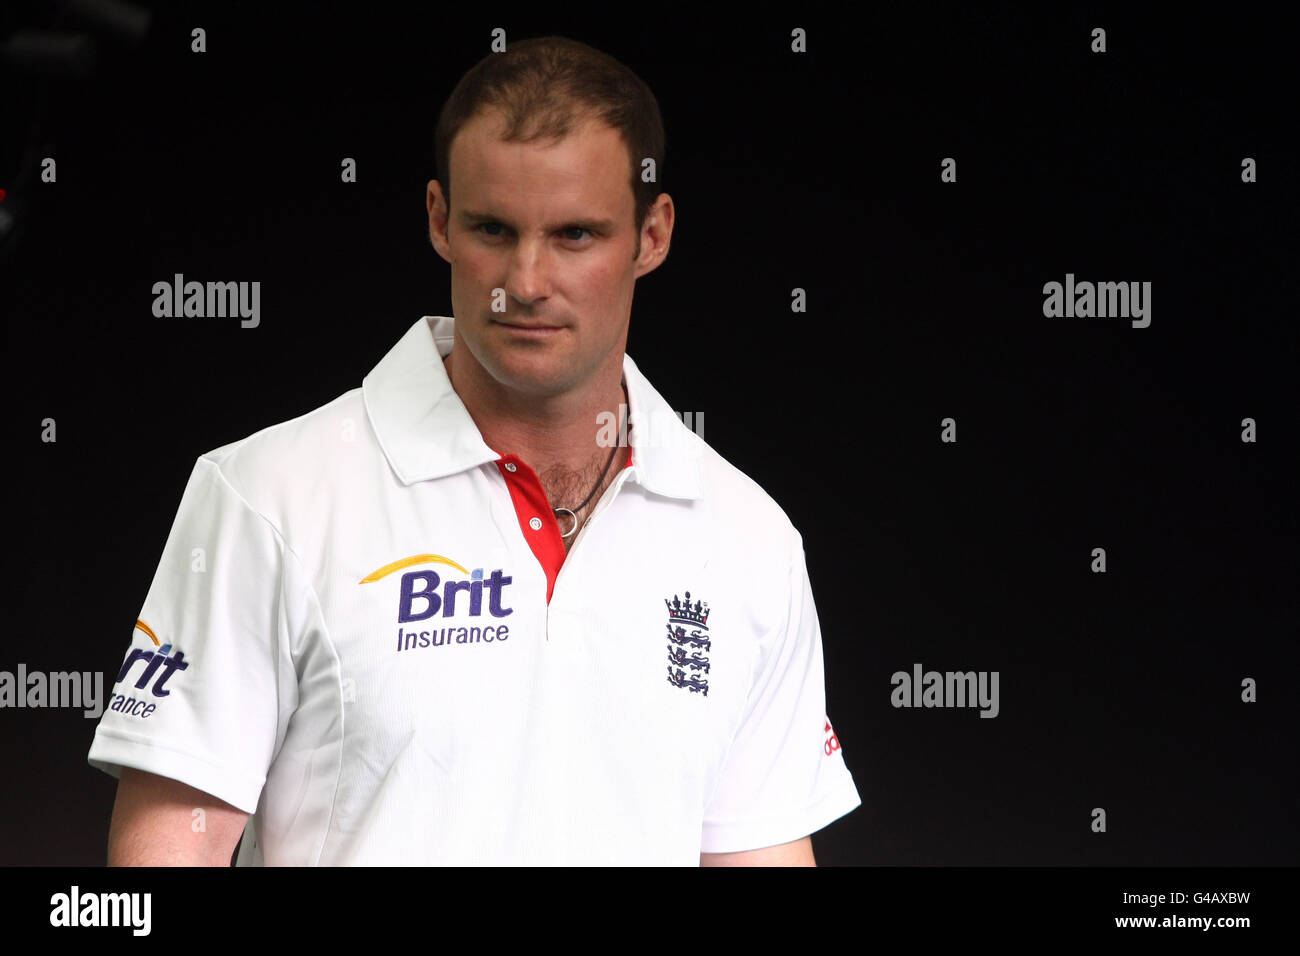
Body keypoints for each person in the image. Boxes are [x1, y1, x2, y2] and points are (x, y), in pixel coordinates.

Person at [89, 35, 861, 866]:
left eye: (575, 235)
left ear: (653, 235)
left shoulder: (750, 541)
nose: (525, 281)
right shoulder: (268, 497)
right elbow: (171, 848)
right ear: (438, 220)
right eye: (493, 227)